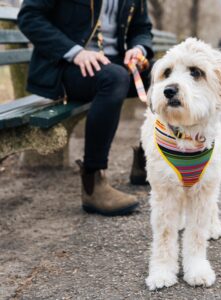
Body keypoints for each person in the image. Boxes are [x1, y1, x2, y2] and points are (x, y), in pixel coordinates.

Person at [18, 0, 153, 216]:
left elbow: (141, 28)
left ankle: (147, 162)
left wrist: (138, 49)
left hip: (113, 63)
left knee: (164, 75)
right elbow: (29, 17)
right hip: (66, 66)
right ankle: (93, 182)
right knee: (114, 77)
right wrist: (75, 52)